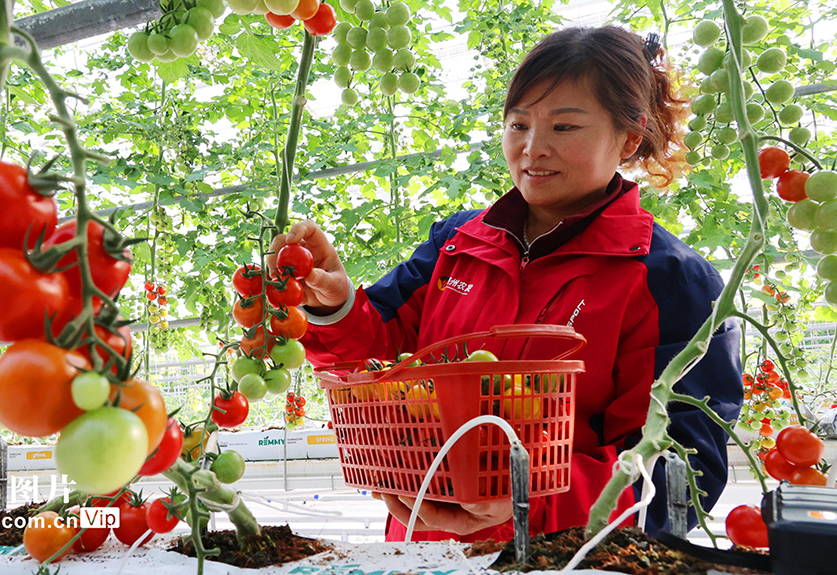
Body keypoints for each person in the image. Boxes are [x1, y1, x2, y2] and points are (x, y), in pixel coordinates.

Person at [268, 25, 743, 542]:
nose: (532, 149)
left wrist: (527, 500)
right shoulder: (457, 243)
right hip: (424, 549)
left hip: (565, 559)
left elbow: (682, 471)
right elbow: (377, 364)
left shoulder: (669, 280)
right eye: (518, 124)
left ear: (629, 137)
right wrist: (334, 306)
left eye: (564, 127)